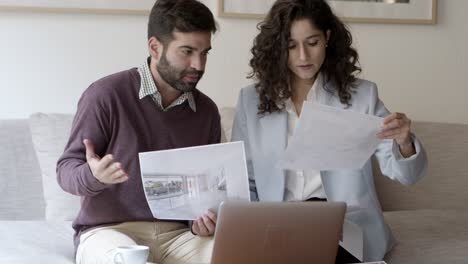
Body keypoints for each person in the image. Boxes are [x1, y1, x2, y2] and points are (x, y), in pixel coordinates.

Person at [231, 0, 428, 262]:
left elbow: (405, 175)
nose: (303, 56)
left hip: (346, 224)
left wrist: (404, 142)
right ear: (277, 48)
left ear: (327, 38)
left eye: (312, 43)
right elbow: (245, 182)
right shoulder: (251, 101)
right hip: (278, 223)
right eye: (291, 46)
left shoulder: (362, 97)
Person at [57, 0, 220, 263]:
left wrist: (203, 220)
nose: (198, 65)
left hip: (179, 235)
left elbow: (208, 191)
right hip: (110, 230)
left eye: (204, 53)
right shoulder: (106, 95)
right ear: (155, 47)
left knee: (236, 254)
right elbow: (66, 169)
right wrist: (94, 175)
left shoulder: (207, 112)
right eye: (187, 51)